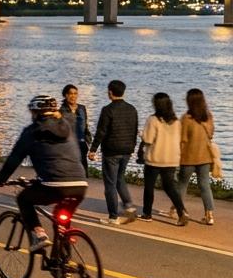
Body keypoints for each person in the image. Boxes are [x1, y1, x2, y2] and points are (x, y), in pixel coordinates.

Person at [0, 95, 89, 252]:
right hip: (80, 184)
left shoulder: (32, 132)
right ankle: (65, 263)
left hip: (54, 185)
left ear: (36, 113)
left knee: (24, 199)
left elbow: (14, 159)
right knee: (62, 220)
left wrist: (0, 178)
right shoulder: (67, 126)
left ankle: (39, 234)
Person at [89, 79, 139, 225]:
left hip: (111, 151)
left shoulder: (107, 110)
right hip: (127, 150)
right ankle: (128, 206)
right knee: (120, 178)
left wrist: (93, 149)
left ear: (110, 92)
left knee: (110, 183)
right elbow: (134, 130)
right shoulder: (132, 109)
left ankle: (113, 216)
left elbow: (101, 132)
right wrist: (132, 146)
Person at [139, 92, 191, 224]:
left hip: (154, 159)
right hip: (171, 159)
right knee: (169, 187)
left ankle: (147, 213)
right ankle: (181, 211)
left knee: (149, 187)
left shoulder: (153, 120)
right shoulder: (176, 122)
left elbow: (148, 139)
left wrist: (141, 134)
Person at [177, 88, 217, 226]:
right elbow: (211, 134)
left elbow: (182, 139)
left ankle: (181, 212)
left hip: (188, 157)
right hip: (205, 157)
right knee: (205, 186)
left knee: (182, 185)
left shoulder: (186, 118)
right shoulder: (208, 116)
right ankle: (209, 215)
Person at [60, 84, 92, 165]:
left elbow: (85, 126)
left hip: (82, 143)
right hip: (68, 145)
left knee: (83, 168)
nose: (73, 96)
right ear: (65, 95)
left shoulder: (82, 108)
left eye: (75, 93)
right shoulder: (62, 111)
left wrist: (88, 141)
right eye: (70, 93)